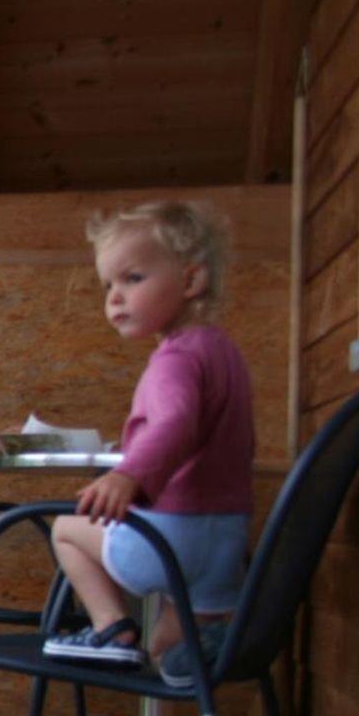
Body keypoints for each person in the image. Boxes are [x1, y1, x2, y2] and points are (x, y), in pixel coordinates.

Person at [44, 201, 252, 687]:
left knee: (66, 530)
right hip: (226, 541)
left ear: (191, 280)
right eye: (108, 285)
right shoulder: (224, 351)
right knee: (164, 654)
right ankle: (192, 654)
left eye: (133, 278)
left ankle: (111, 629)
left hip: (169, 537)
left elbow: (176, 420)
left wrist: (129, 474)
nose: (115, 297)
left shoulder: (174, 358)